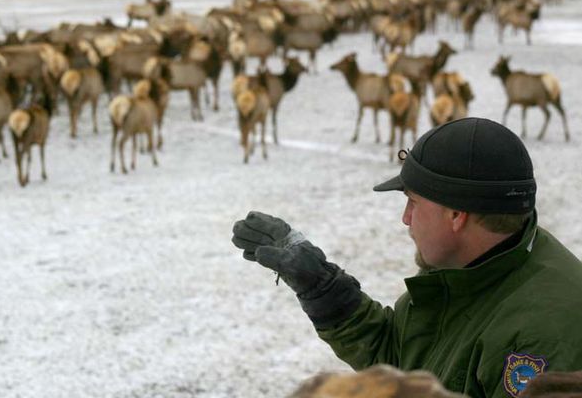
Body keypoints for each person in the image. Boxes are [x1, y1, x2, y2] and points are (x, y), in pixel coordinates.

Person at [231, 117, 582, 398]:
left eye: (413, 201)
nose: (405, 219)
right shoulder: (472, 271)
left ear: (456, 215)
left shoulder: (541, 337)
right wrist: (323, 288)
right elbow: (402, 358)